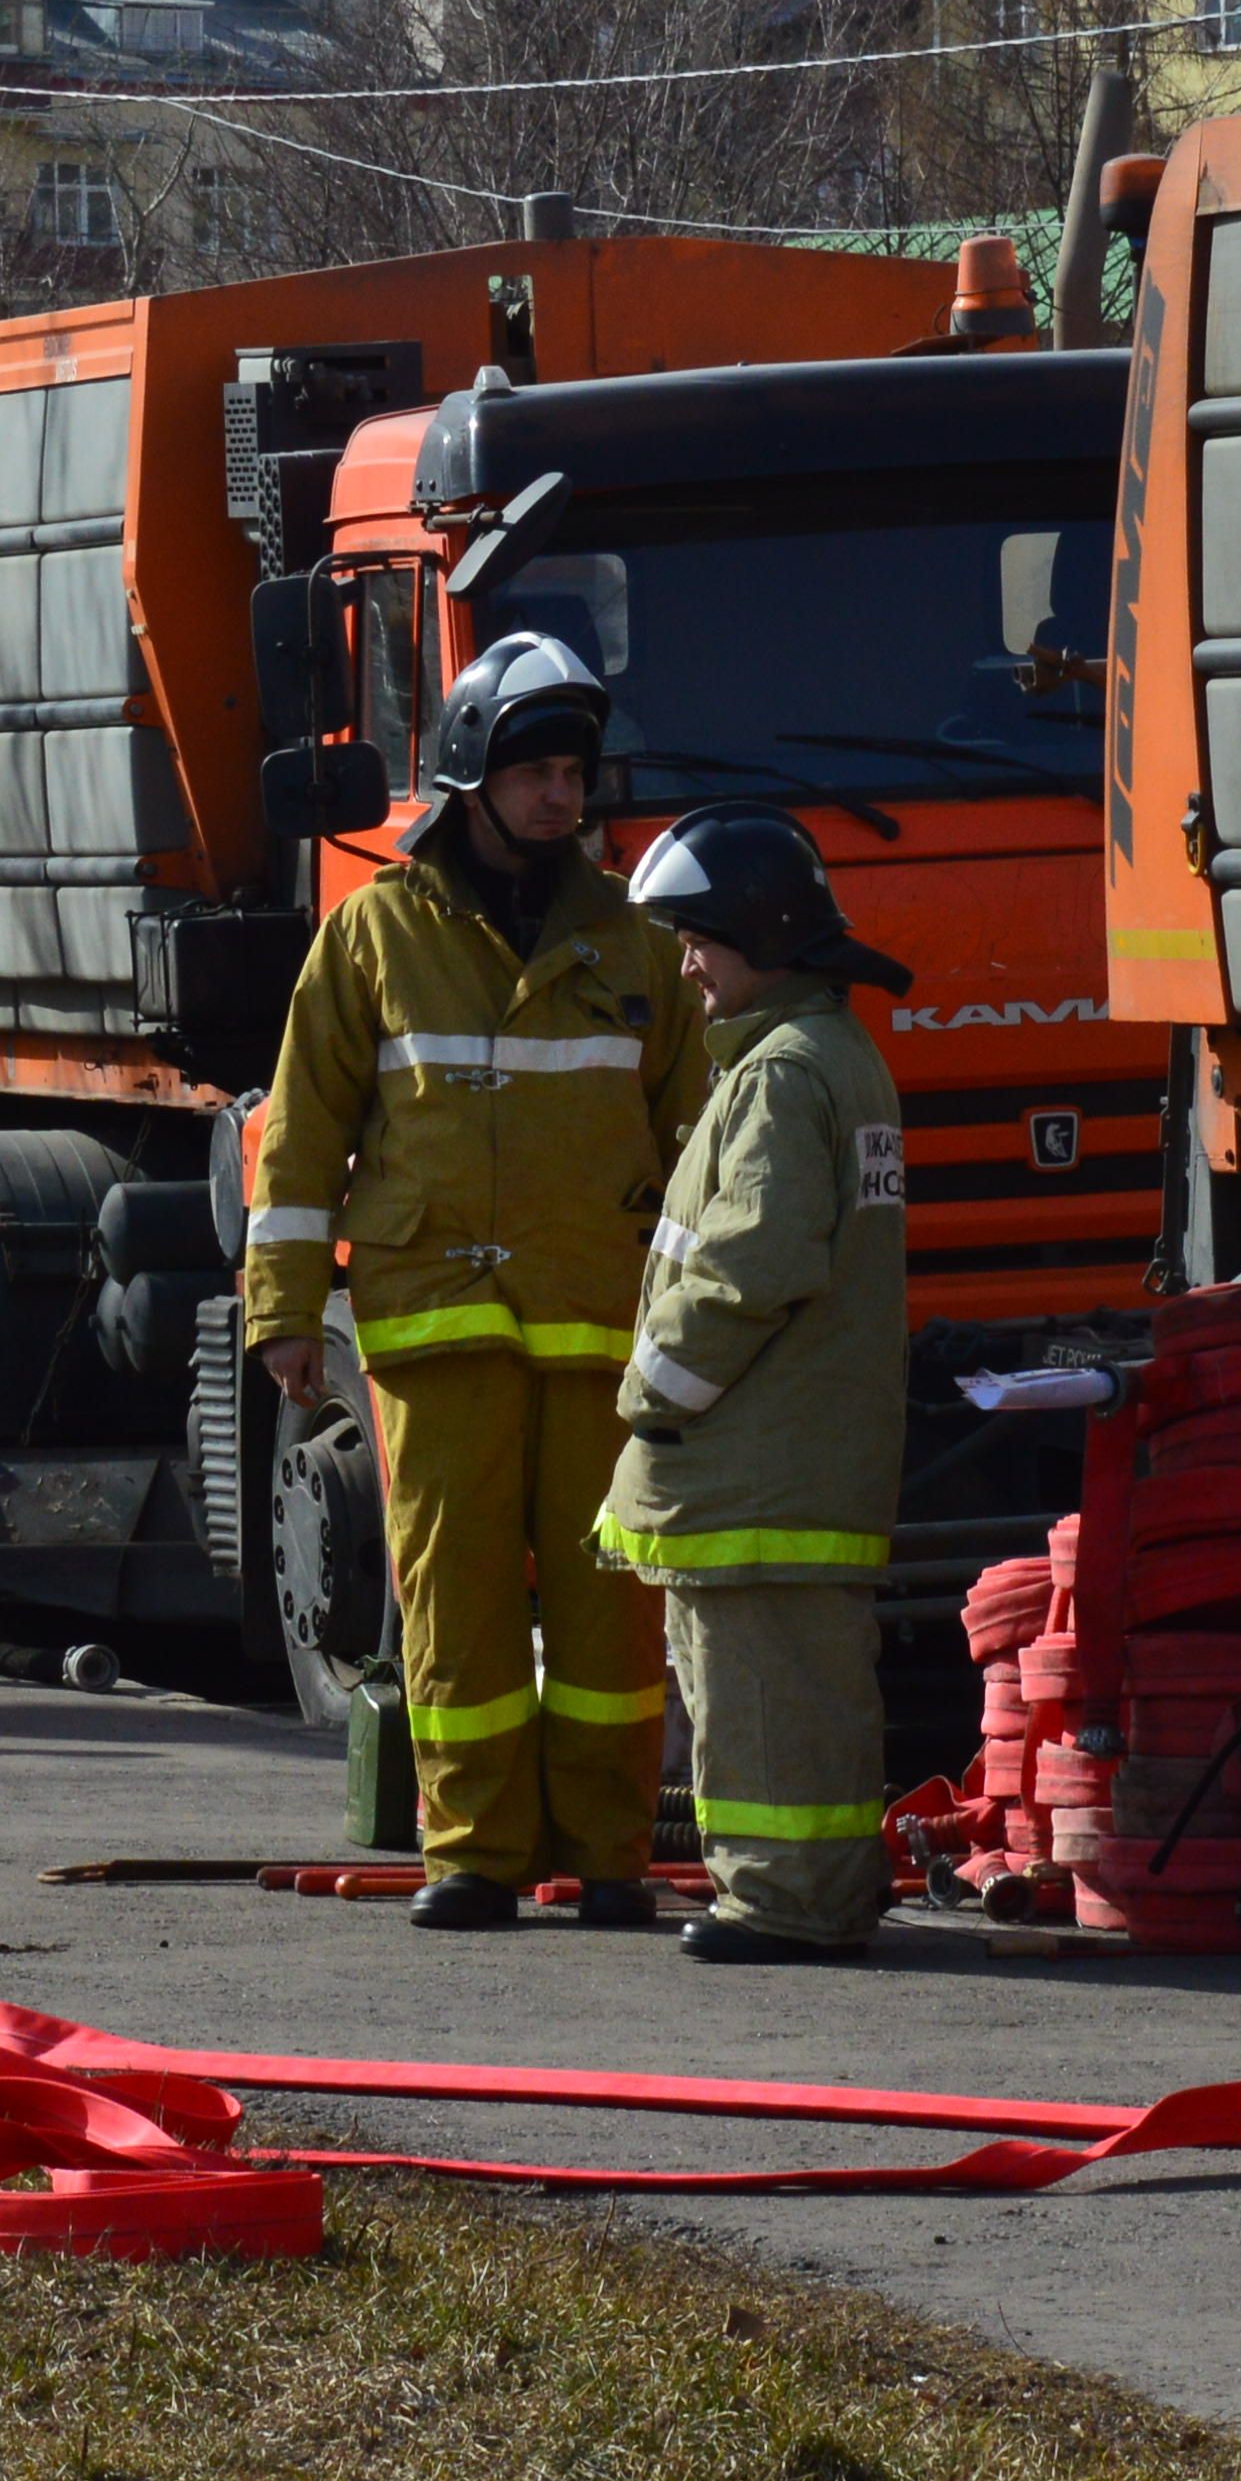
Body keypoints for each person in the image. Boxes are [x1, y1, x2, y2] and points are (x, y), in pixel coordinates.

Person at [242, 631, 709, 1931]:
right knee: (454, 1604)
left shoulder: (632, 940)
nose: (562, 795)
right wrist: (284, 1314)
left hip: (599, 1322)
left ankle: (610, 1854)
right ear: (469, 776)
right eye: (534, 772)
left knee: (610, 1603)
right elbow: (300, 1138)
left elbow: (699, 1137)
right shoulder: (374, 934)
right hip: (430, 1322)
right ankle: (475, 1853)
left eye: (573, 771)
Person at [596, 807, 915, 1968]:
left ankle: (780, 1902)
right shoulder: (834, 1056)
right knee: (806, 1701)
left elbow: (752, 1261)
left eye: (700, 941)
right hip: (802, 1454)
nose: (685, 965)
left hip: (754, 1461)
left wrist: (652, 1390)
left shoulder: (781, 1074)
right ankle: (811, 1893)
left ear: (760, 937)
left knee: (761, 1705)